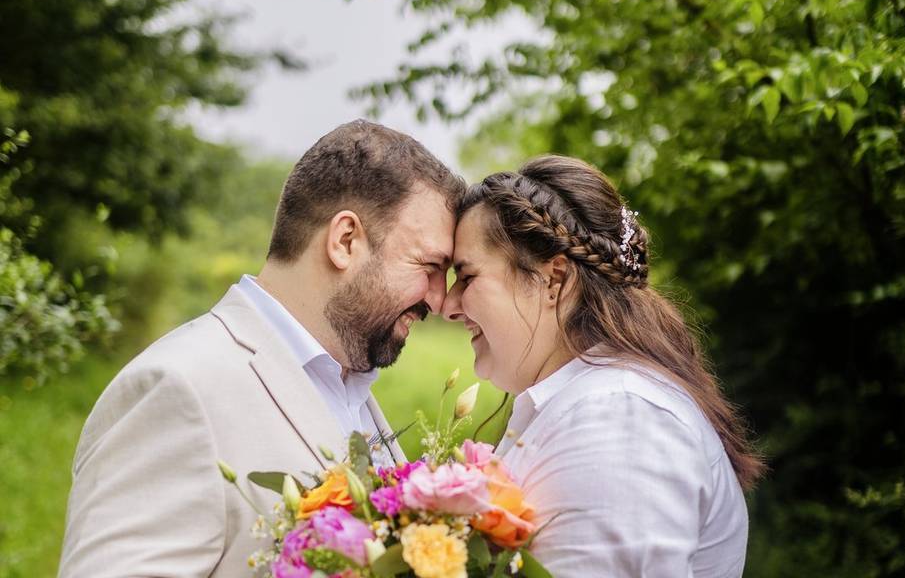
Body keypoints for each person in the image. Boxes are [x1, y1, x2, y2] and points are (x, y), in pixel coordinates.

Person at [58, 120, 465, 577]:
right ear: (345, 240)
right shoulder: (177, 388)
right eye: (430, 266)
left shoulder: (350, 389)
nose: (440, 298)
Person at [441, 155, 764, 577]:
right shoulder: (594, 403)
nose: (447, 304)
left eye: (467, 276)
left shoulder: (621, 420)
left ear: (553, 279)